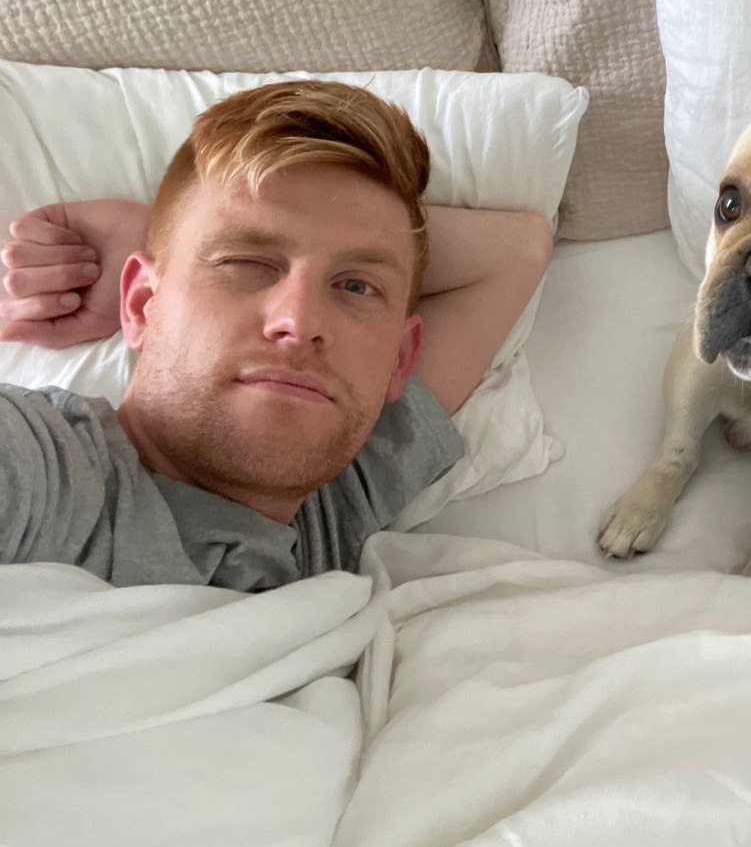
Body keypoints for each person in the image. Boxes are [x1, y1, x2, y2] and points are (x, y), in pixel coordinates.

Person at [0, 81, 552, 591]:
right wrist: (181, 233)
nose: (301, 322)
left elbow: (518, 251)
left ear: (400, 361)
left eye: (357, 285)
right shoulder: (45, 470)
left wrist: (168, 230)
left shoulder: (339, 509)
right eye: (245, 261)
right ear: (143, 304)